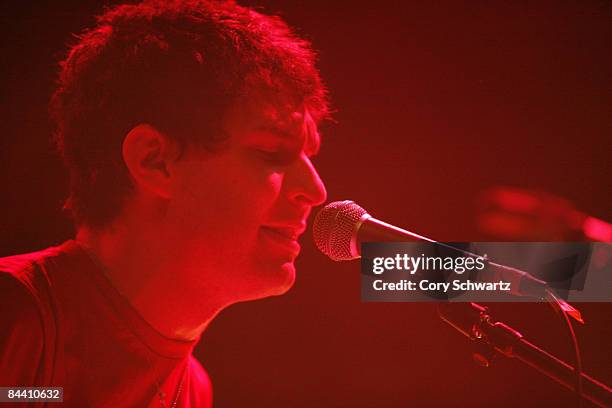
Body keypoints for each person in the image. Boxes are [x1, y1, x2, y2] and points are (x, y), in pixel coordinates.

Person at [0, 0, 328, 406]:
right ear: (154, 160)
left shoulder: (195, 389)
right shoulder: (13, 315)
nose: (315, 191)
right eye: (270, 153)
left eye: (309, 157)